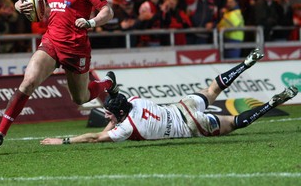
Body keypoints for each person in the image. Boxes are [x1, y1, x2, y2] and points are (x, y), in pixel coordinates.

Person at [0, 0, 115, 148]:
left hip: (75, 48)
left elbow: (107, 11)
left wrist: (91, 23)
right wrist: (19, 5)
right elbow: (32, 6)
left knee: (79, 98)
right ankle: (0, 132)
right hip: (51, 43)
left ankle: (106, 83)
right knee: (28, 82)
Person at [41, 49, 298, 145]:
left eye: (109, 113)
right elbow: (118, 109)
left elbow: (96, 137)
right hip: (182, 106)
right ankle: (245, 63)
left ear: (119, 116)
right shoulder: (136, 101)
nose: (106, 116)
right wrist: (113, 95)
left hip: (191, 125)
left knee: (237, 122)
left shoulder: (127, 129)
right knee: (212, 90)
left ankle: (272, 101)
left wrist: (63, 141)